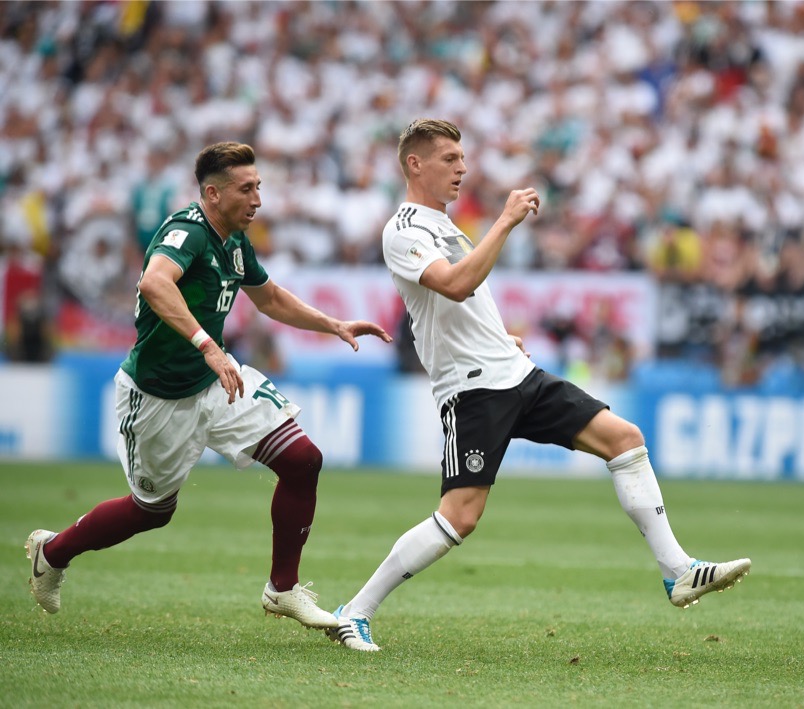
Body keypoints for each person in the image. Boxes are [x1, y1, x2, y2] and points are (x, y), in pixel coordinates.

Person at [327, 119, 750, 652]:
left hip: (515, 373)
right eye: (449, 158)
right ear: (415, 164)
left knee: (625, 440)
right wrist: (504, 223)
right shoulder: (404, 229)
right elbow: (456, 286)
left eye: (462, 157)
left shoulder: (444, 225)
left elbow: (466, 303)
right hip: (473, 389)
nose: (462, 167)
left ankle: (678, 570)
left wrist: (501, 335)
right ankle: (354, 611)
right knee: (461, 516)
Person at [26, 142, 392, 630]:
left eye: (259, 186)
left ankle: (282, 589)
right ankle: (52, 552)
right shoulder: (186, 231)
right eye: (247, 188)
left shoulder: (236, 240)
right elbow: (155, 284)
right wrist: (207, 344)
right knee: (150, 511)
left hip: (216, 383)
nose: (258, 198)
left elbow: (270, 298)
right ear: (213, 194)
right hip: (157, 395)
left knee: (303, 460)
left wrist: (334, 324)